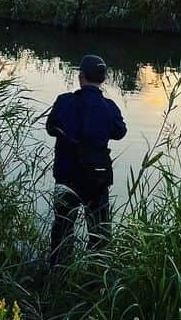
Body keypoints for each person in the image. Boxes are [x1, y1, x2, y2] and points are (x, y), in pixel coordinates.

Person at [45, 54, 127, 268]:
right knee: (99, 233)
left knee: (62, 229)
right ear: (103, 79)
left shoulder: (64, 102)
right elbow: (120, 132)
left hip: (67, 176)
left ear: (80, 77)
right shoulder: (109, 107)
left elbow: (50, 127)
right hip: (97, 179)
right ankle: (96, 280)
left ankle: (57, 275)